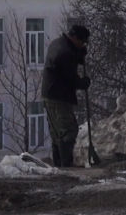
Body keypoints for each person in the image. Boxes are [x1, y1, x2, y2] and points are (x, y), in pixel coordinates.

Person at [41, 24, 91, 167]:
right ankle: (66, 164)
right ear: (75, 38)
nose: (83, 45)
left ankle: (59, 165)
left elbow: (69, 62)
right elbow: (71, 78)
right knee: (68, 130)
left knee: (57, 131)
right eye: (82, 42)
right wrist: (83, 83)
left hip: (50, 94)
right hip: (58, 97)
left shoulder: (58, 43)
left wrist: (78, 55)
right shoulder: (66, 53)